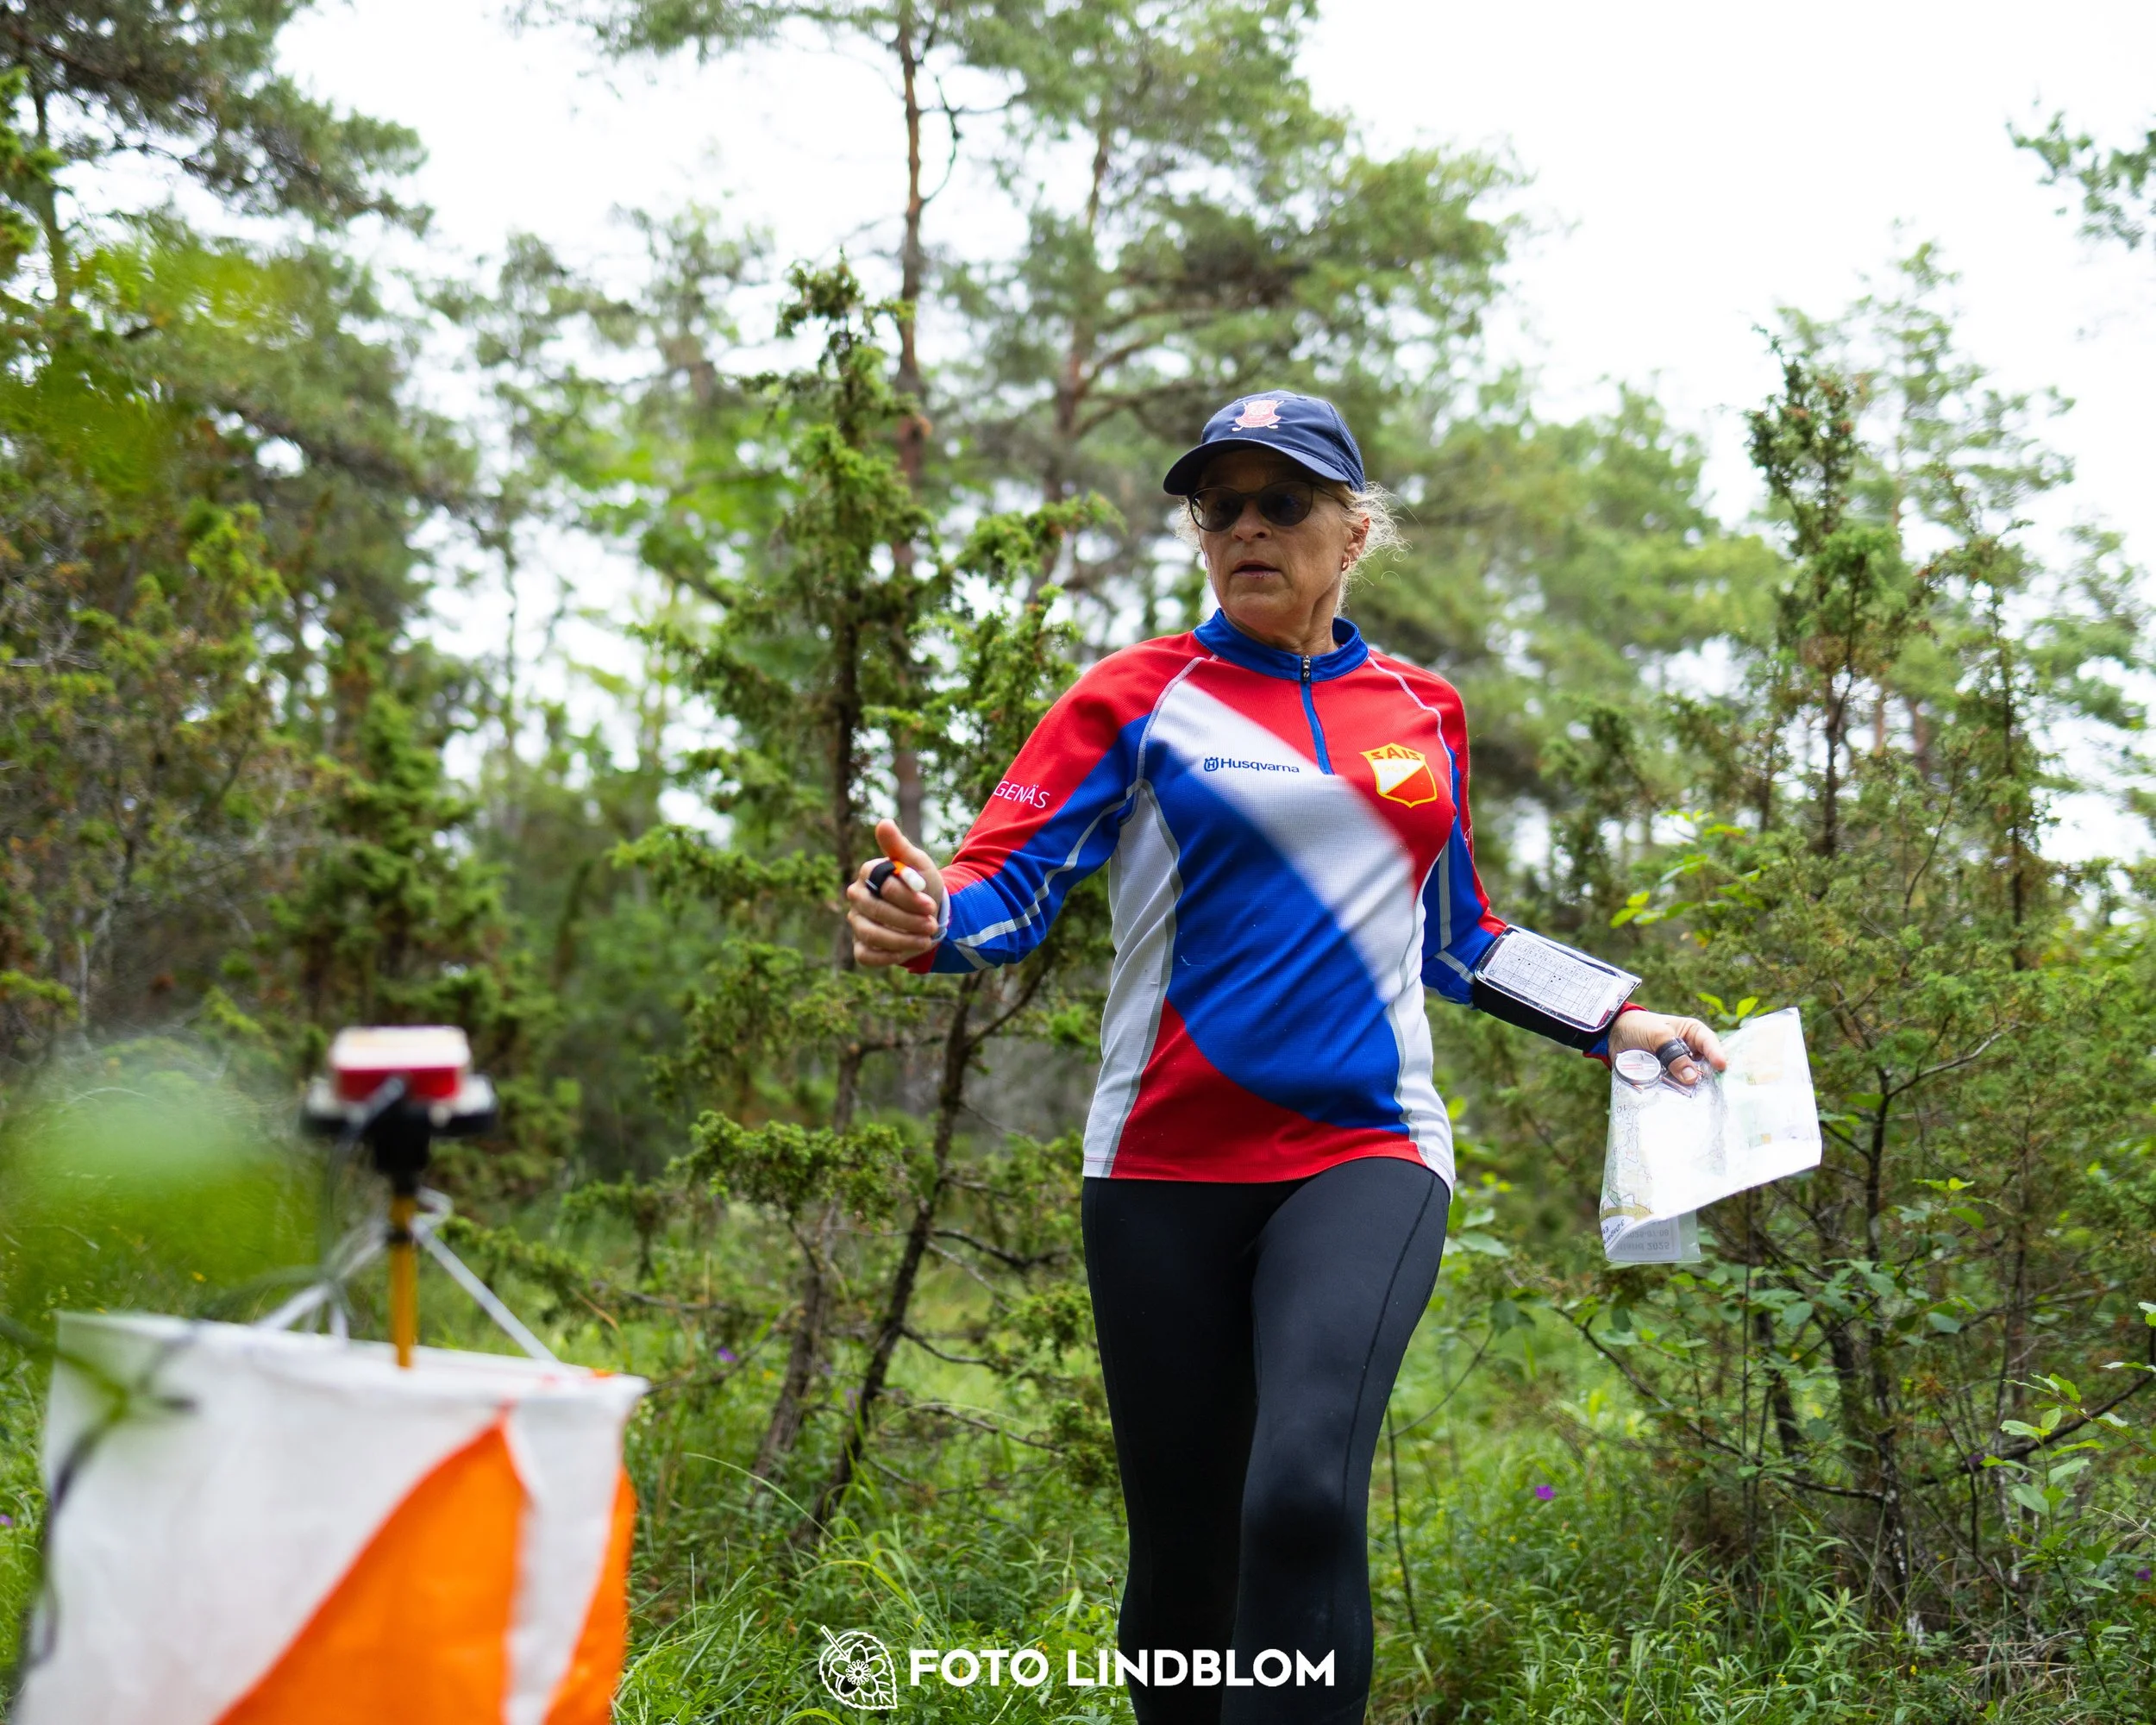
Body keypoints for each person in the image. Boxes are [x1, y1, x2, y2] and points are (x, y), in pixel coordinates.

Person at [845, 390, 1726, 1724]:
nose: (1247, 527)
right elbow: (1000, 891)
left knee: (1304, 1490)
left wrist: (1614, 1019)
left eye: (1284, 502)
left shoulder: (1420, 710)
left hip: (1365, 1153)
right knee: (1187, 1555)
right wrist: (922, 921)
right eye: (1220, 506)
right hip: (1157, 1173)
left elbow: (1460, 935)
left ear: (1354, 530)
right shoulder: (1135, 699)